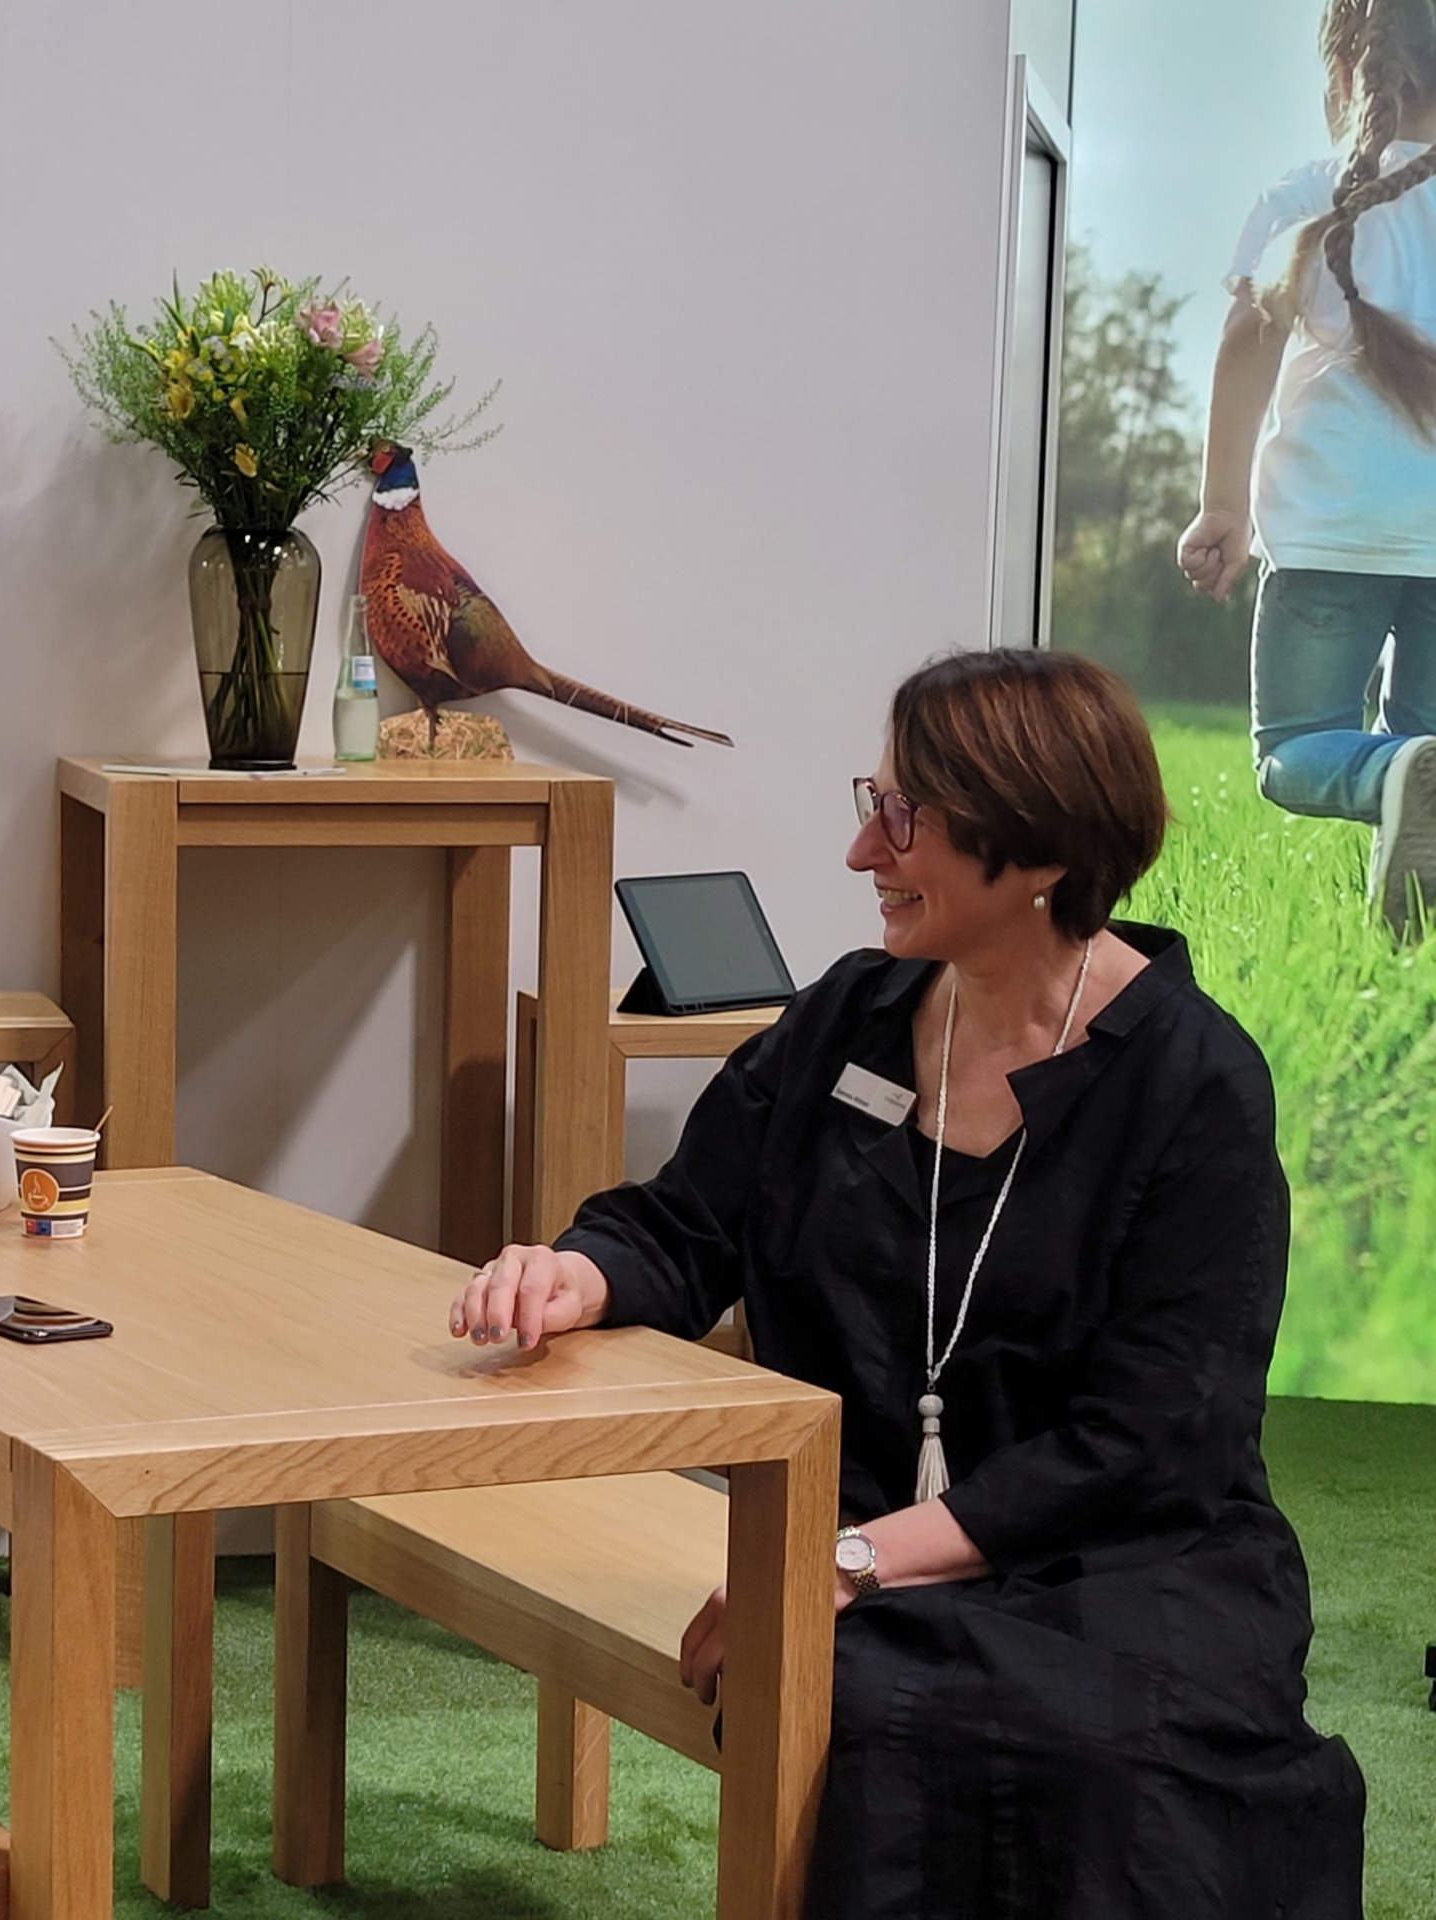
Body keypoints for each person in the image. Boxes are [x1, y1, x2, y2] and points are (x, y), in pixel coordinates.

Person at [452, 651, 1366, 1917]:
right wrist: (572, 1272)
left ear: (1034, 847)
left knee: (1108, 1753)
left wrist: (850, 1561)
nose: (858, 852)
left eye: (902, 818)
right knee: (874, 1702)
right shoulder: (851, 1016)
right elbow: (685, 1224)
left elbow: (1157, 1440)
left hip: (1128, 1553)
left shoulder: (1193, 1083)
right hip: (875, 1543)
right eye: (872, 803)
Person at [1179, 0, 1436, 937]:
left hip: (1329, 533)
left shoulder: (1305, 193)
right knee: (1428, 755)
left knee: (1292, 750)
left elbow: (1246, 342)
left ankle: (1392, 794)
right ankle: (1409, 938)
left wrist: (1223, 504)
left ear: (1350, 66)